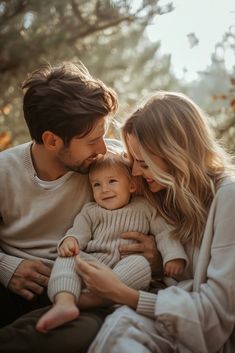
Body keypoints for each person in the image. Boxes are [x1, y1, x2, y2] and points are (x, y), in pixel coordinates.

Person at [0, 62, 160, 353]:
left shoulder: (113, 166)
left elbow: (160, 213)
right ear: (51, 141)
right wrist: (5, 266)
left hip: (82, 289)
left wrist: (156, 255)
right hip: (12, 286)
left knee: (82, 333)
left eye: (103, 134)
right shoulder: (4, 171)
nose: (102, 148)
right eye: (91, 141)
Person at [75, 91, 235, 353]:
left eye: (143, 163)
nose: (135, 173)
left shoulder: (229, 198)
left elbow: (217, 315)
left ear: (175, 154)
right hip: (167, 319)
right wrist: (160, 264)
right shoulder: (169, 195)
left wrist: (121, 293)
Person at [36, 152, 188, 332]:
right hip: (95, 265)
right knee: (69, 257)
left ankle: (94, 299)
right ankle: (64, 302)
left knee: (140, 263)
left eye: (112, 181)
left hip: (125, 270)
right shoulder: (91, 210)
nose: (104, 189)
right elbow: (78, 231)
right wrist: (70, 241)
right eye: (96, 184)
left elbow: (165, 232)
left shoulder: (145, 207)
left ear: (131, 186)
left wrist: (173, 257)